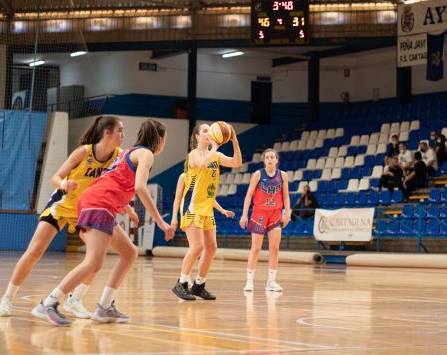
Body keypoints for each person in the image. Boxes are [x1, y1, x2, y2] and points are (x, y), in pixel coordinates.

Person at [33, 119, 174, 326]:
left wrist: (126, 207)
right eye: (165, 140)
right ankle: (49, 303)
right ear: (160, 140)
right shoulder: (146, 154)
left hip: (98, 203)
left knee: (129, 252)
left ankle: (104, 307)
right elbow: (140, 187)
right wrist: (161, 222)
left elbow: (117, 182)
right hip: (98, 204)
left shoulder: (128, 152)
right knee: (93, 262)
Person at [0, 116, 131, 317]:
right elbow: (55, 177)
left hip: (86, 211)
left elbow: (115, 186)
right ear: (107, 133)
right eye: (119, 130)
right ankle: (7, 299)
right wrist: (64, 185)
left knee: (96, 259)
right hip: (62, 205)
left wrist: (126, 205)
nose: (123, 134)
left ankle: (74, 300)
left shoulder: (119, 156)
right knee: (34, 251)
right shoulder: (84, 152)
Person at [172, 123, 242, 301]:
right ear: (197, 137)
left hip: (207, 208)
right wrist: (215, 147)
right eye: (205, 130)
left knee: (211, 248)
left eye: (210, 129)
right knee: (197, 247)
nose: (209, 132)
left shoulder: (216, 156)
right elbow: (202, 164)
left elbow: (237, 162)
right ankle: (181, 283)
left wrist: (234, 140)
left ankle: (199, 285)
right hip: (192, 207)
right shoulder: (194, 154)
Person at [240, 149, 291, 292]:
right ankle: (249, 281)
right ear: (264, 160)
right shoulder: (258, 174)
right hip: (259, 213)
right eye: (267, 157)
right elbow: (249, 195)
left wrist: (287, 213)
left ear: (276, 160)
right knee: (255, 248)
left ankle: (271, 282)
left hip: (275, 214)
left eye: (272, 157)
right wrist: (244, 215)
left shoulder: (283, 175)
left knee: (274, 249)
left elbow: (286, 196)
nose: (269, 159)